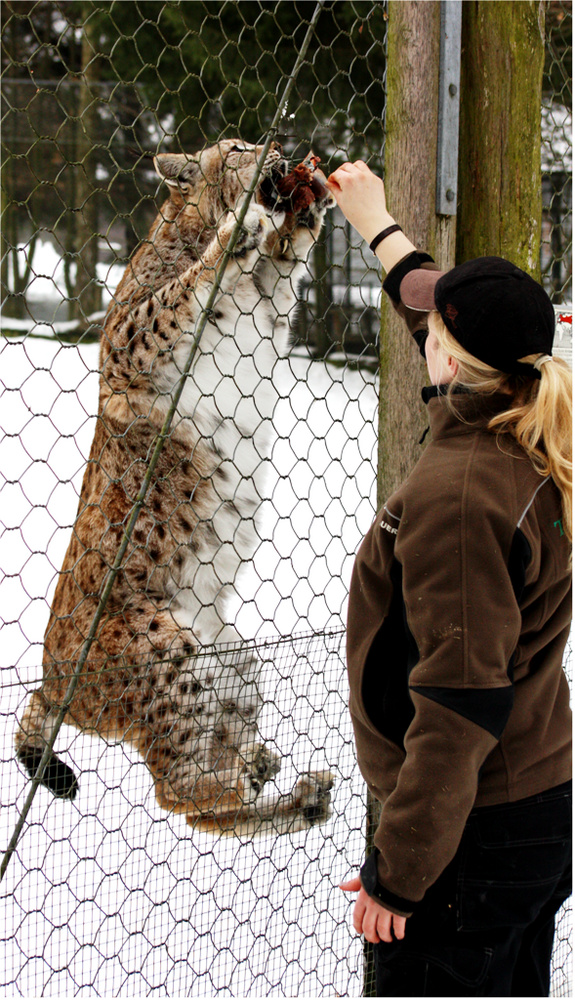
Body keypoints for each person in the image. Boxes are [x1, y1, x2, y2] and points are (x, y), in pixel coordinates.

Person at [325, 161, 572, 998]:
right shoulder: (526, 412)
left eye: (434, 327)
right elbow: (440, 306)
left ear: (445, 355)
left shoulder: (460, 496)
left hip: (469, 842)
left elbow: (459, 707)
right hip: (529, 808)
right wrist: (374, 221)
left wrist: (401, 875)